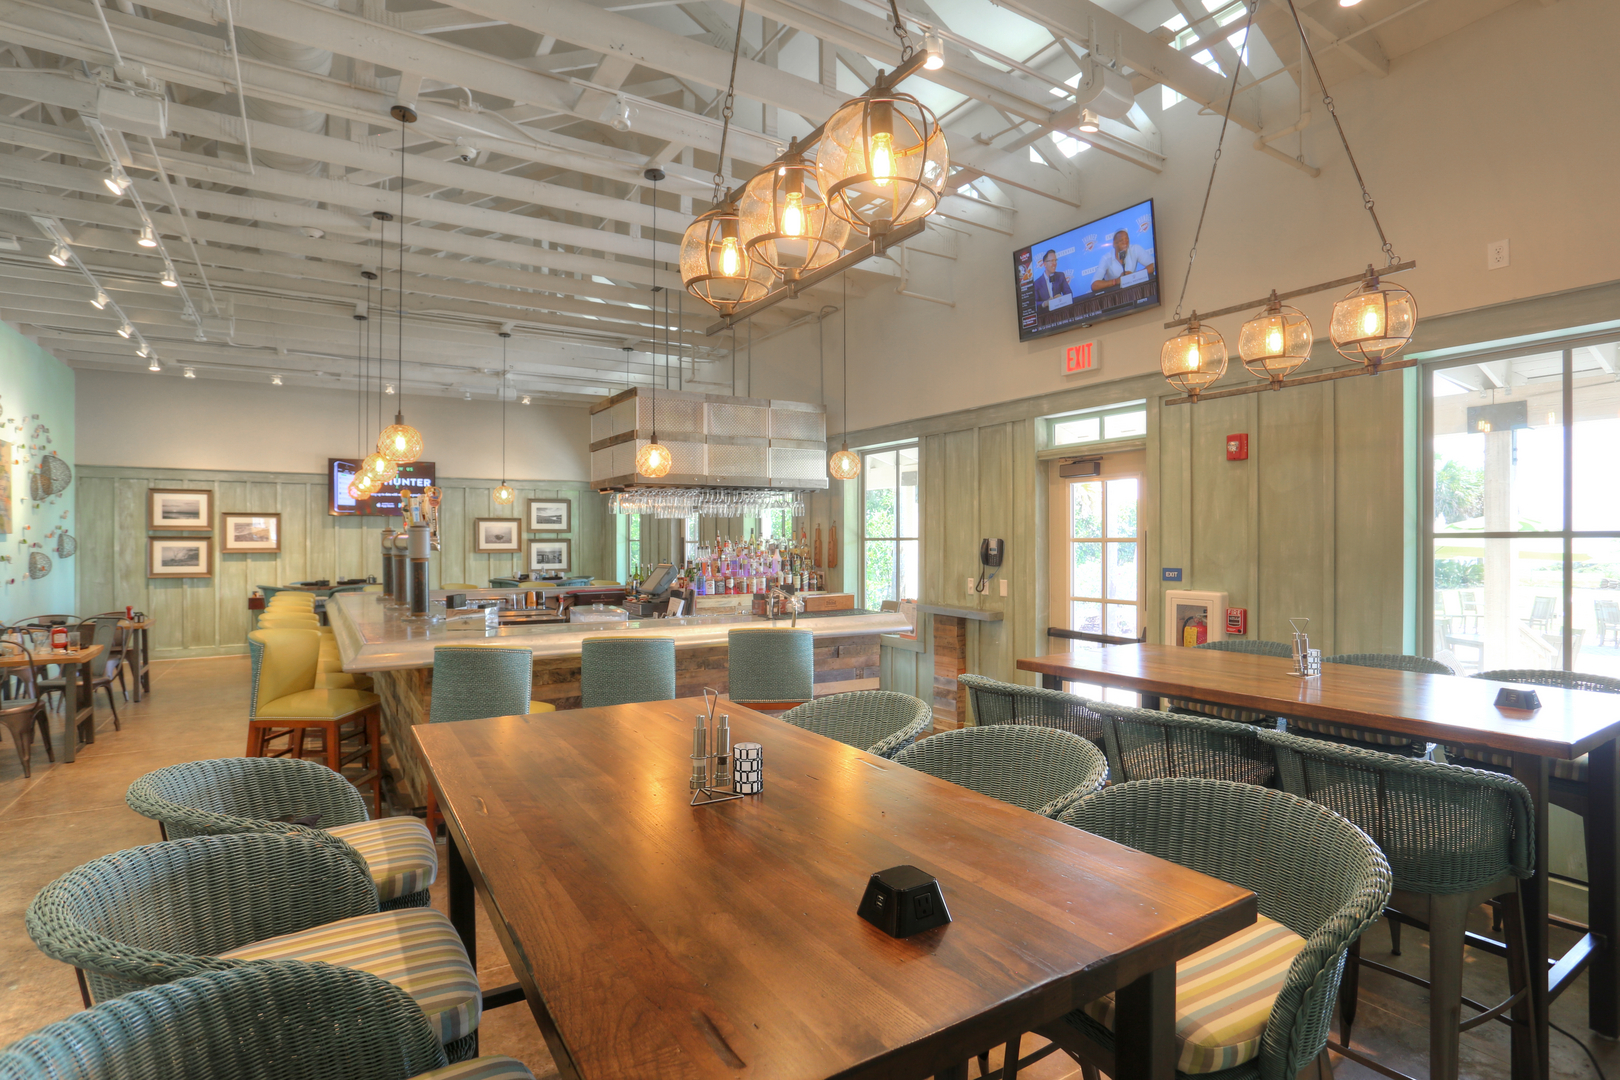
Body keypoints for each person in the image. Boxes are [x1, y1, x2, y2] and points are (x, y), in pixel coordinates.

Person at [1091, 229, 1155, 292]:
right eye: (1121, 240)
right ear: (1114, 244)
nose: (1125, 242)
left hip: (1134, 291)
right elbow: (1094, 285)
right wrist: (1116, 281)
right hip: (1116, 294)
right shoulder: (1106, 258)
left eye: (1127, 239)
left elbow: (1154, 265)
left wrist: (1134, 276)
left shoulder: (1135, 249)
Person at [1031, 250, 1072, 320]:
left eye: (1055, 260)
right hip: (1046, 318)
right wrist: (1045, 303)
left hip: (1062, 315)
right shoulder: (1037, 283)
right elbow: (1034, 304)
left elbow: (1069, 294)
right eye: (1052, 261)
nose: (1054, 263)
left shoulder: (1060, 276)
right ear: (1045, 264)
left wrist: (1062, 298)